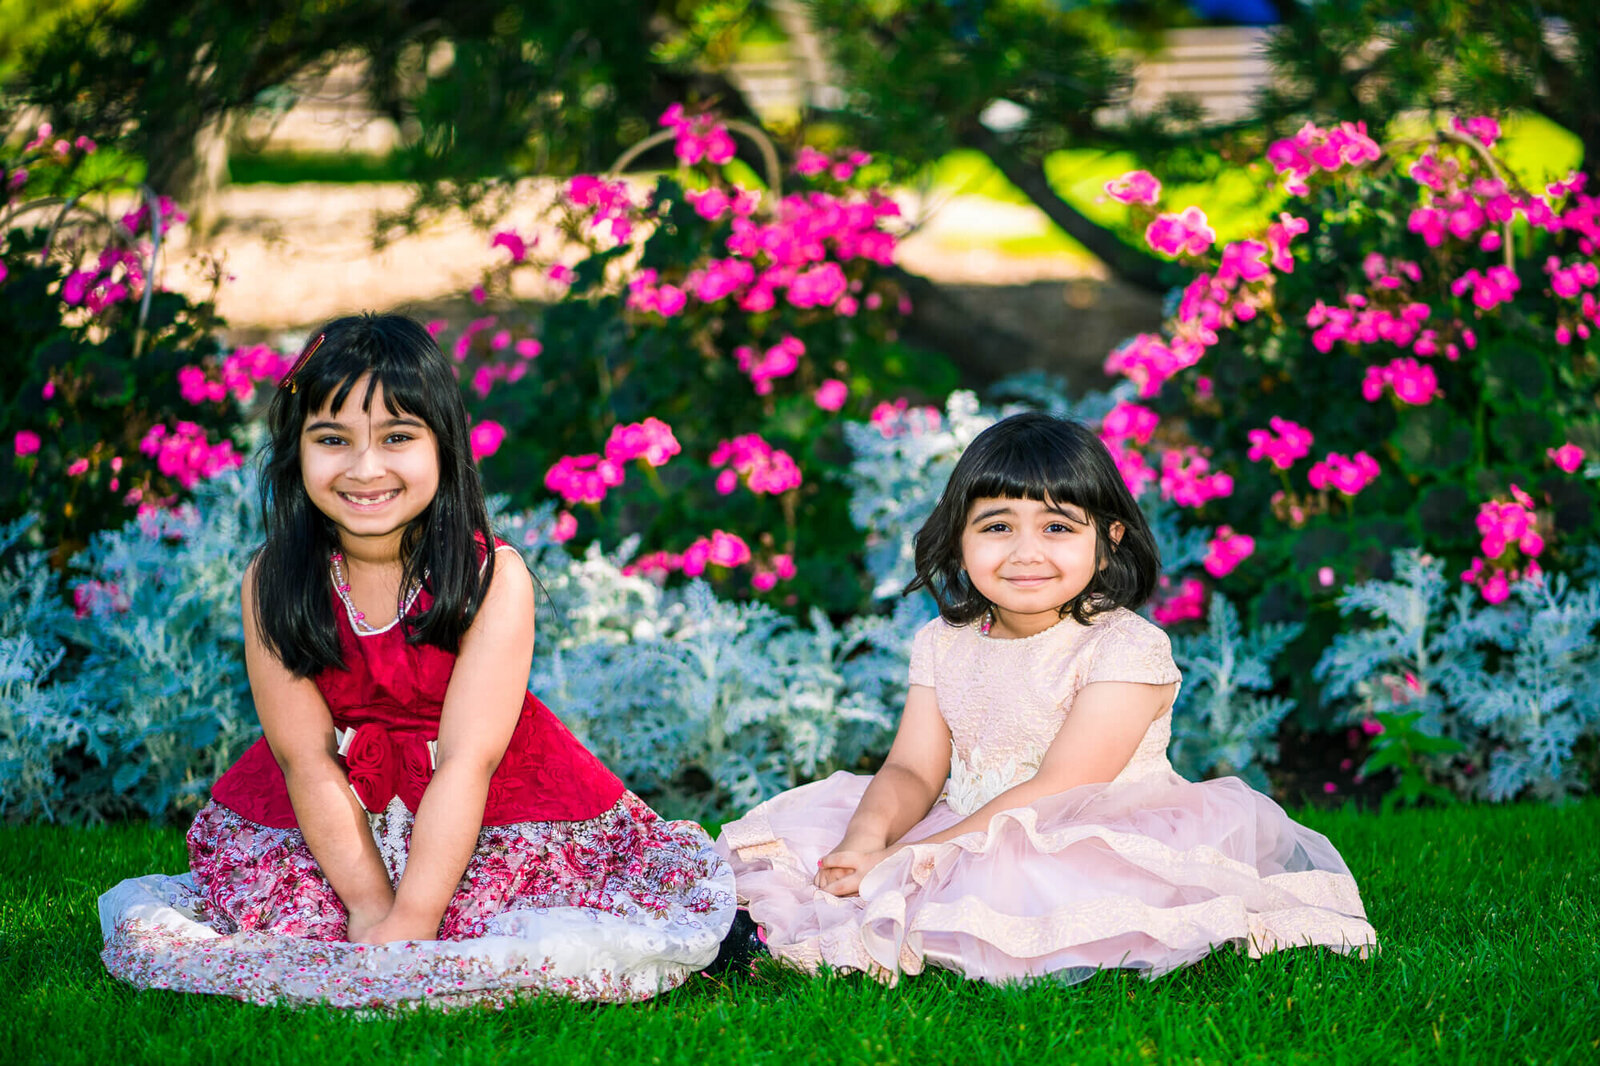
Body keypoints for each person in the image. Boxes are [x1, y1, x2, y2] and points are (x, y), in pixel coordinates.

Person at [99, 314, 735, 1008]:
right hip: (335, 817)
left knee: (512, 922)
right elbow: (305, 759)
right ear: (295, 452)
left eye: (397, 437)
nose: (365, 468)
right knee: (304, 924)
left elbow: (468, 758)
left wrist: (414, 918)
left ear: (444, 446)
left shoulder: (492, 577)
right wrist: (373, 909)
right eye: (332, 439)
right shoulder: (274, 580)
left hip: (486, 808)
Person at [716, 412, 1375, 985]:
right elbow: (913, 768)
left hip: (1077, 835)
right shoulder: (944, 642)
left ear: (1108, 537)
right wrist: (866, 839)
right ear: (958, 538)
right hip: (967, 816)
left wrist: (913, 856)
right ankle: (763, 930)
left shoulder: (1124, 649)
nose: (1026, 553)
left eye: (1057, 527)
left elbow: (1062, 787)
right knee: (830, 856)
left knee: (987, 887)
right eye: (997, 526)